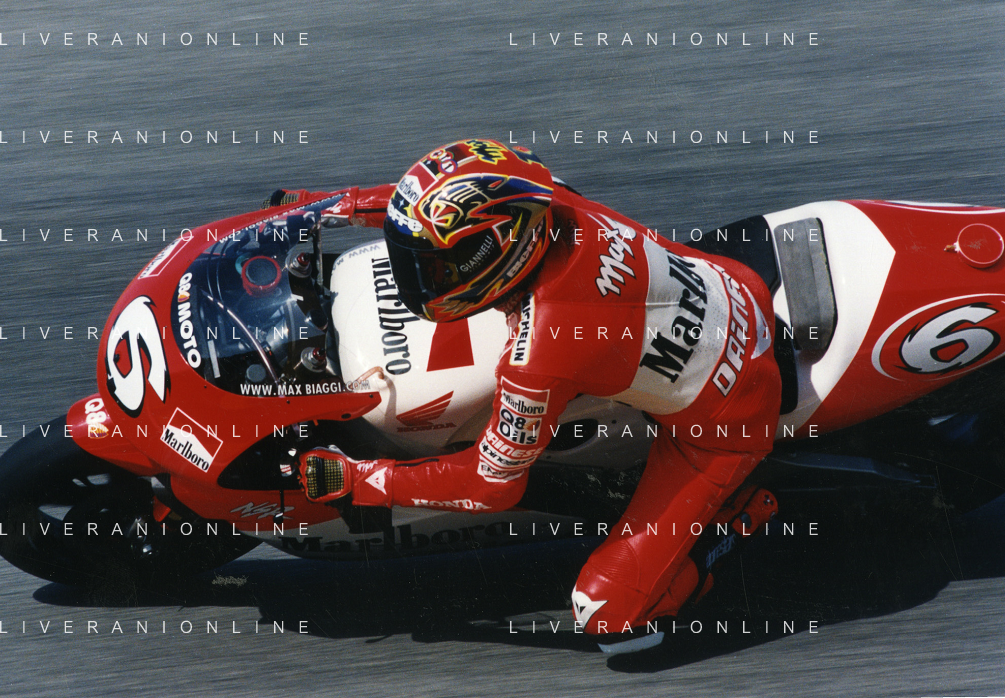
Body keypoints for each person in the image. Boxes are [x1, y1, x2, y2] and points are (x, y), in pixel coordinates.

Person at [292, 138, 781, 644]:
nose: (420, 279)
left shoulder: (541, 352)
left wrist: (363, 480)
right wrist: (332, 207)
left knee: (608, 614)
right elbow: (440, 207)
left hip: (725, 423)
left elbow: (489, 486)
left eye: (437, 267)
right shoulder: (547, 198)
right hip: (734, 283)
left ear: (498, 249)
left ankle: (739, 517)